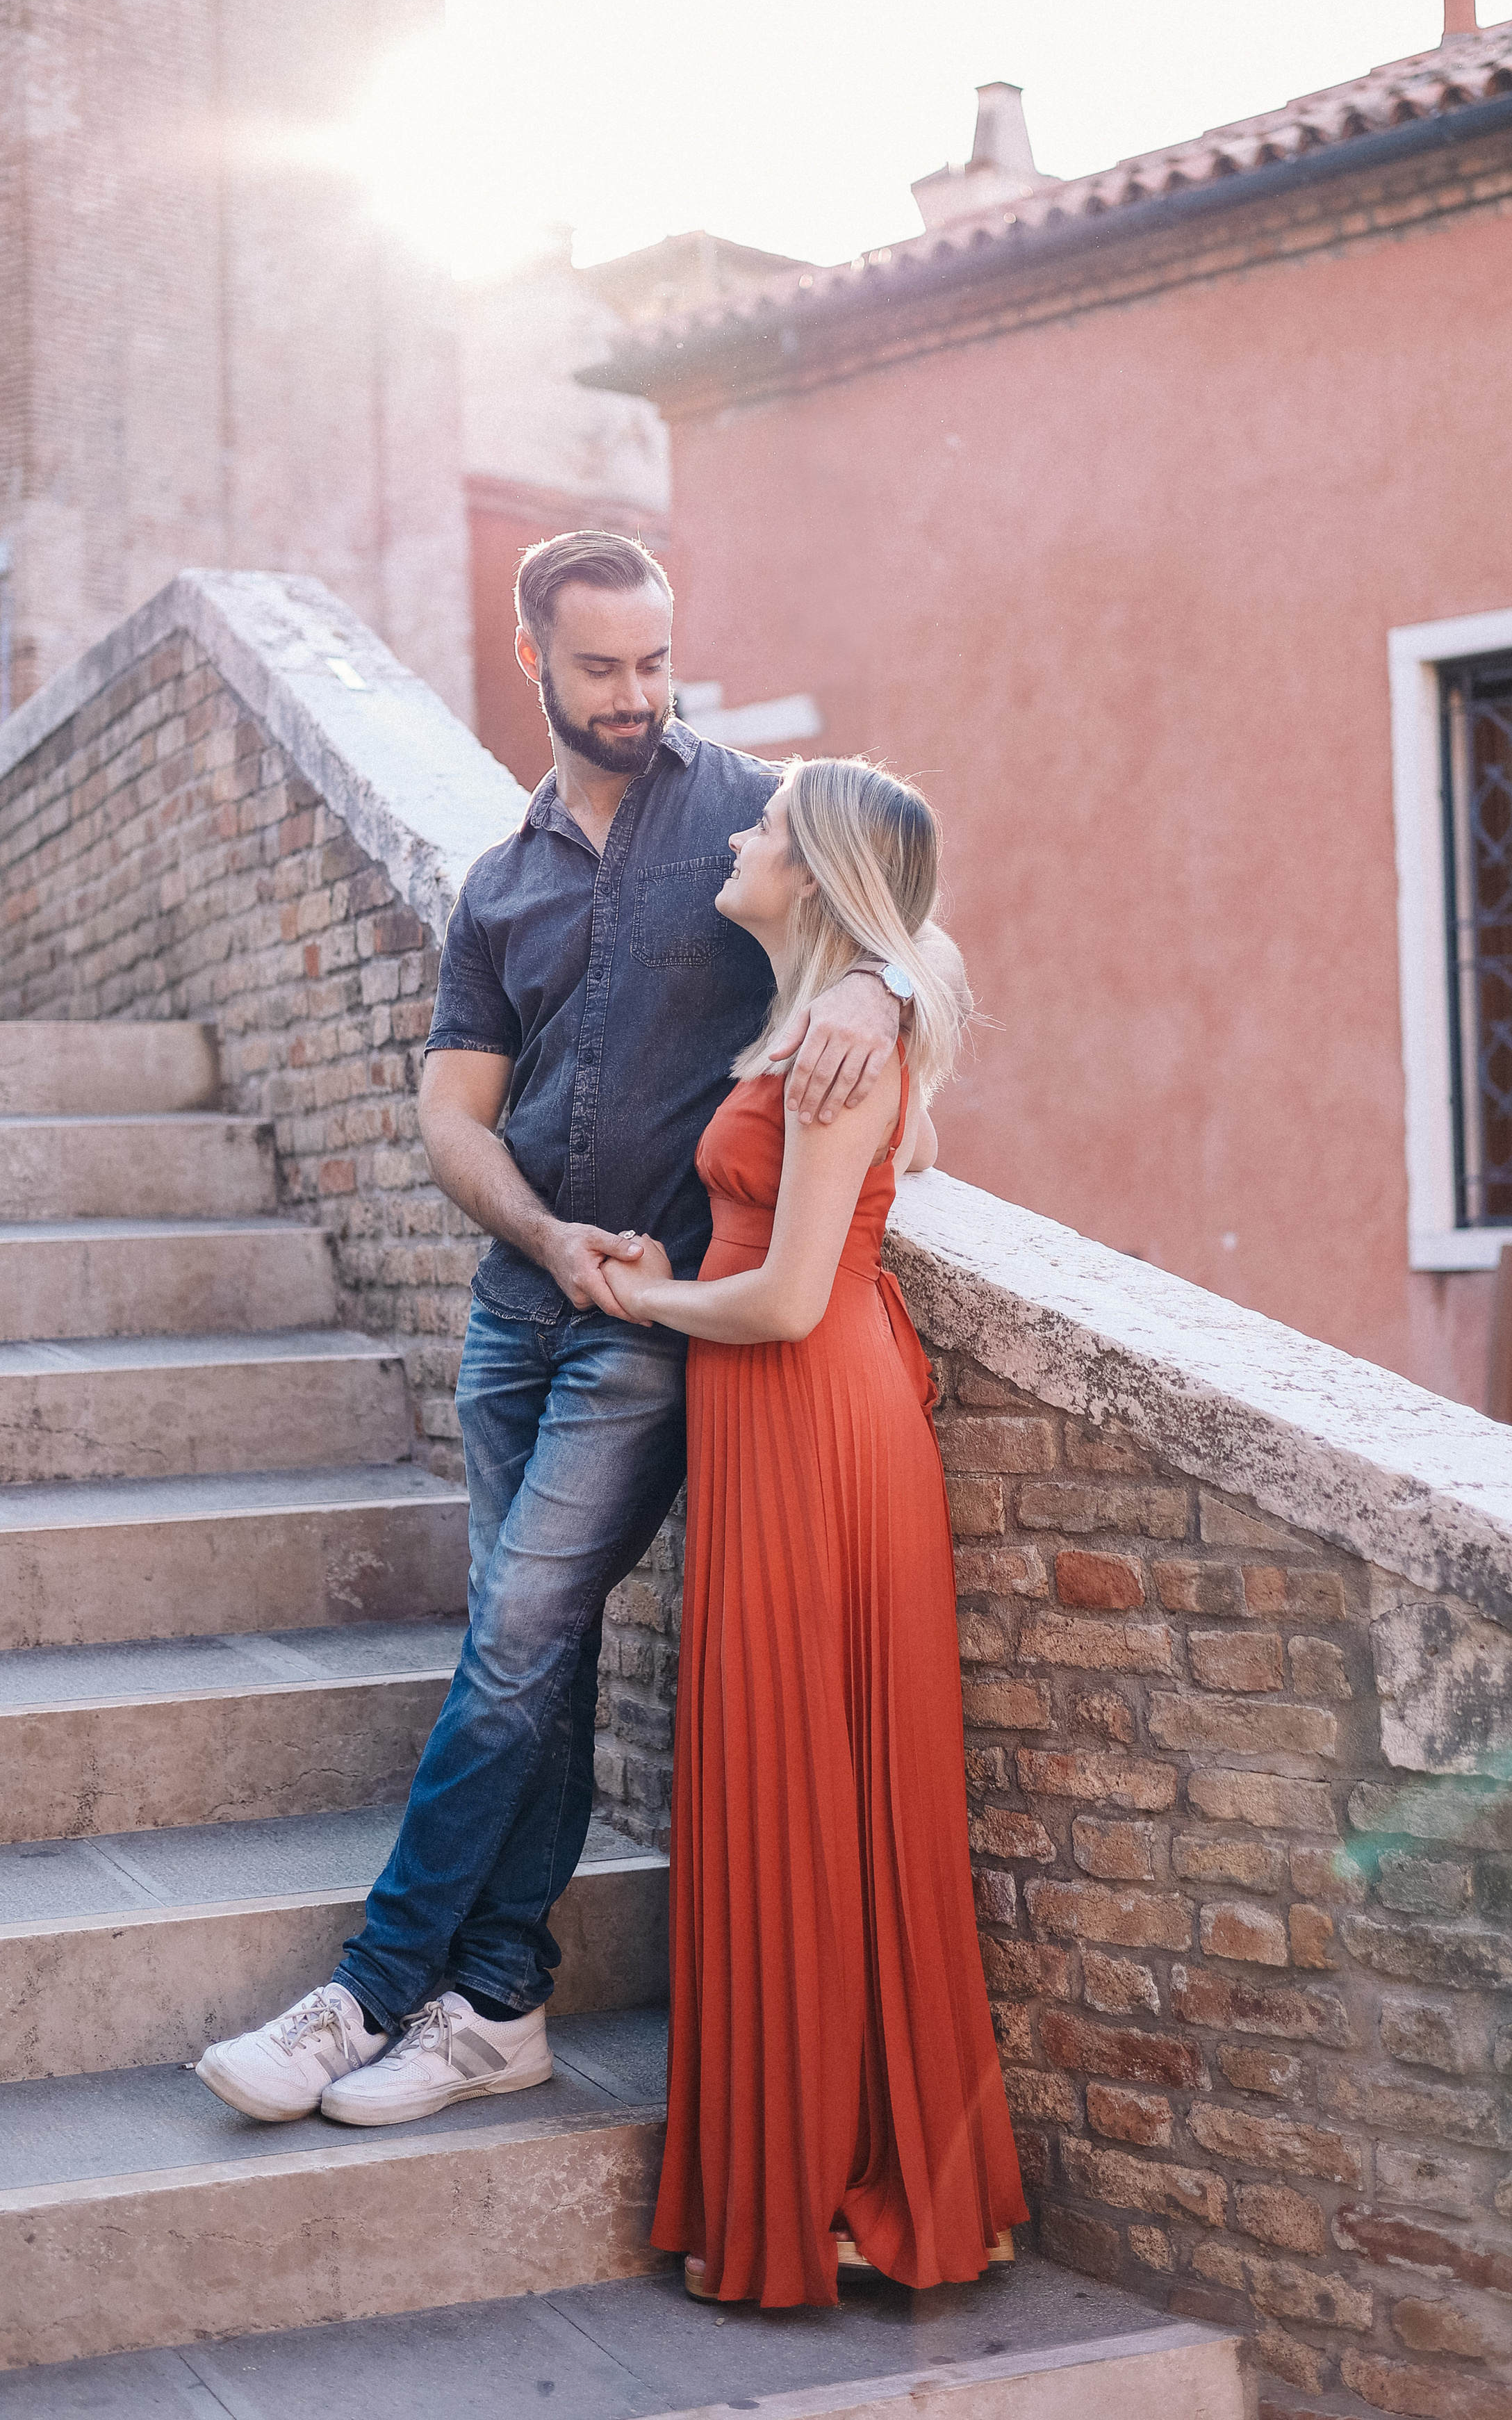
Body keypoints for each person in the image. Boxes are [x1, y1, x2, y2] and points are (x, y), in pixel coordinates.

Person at [195, 532, 902, 2126]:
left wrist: (882, 995)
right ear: (533, 659)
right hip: (515, 1315)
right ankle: (501, 1999)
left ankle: (365, 1993)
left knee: (510, 1636)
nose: (639, 695)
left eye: (658, 661)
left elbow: (900, 904)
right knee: (537, 1646)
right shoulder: (497, 882)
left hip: (652, 1327)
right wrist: (535, 1232)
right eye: (602, 668)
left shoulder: (755, 815)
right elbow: (452, 1117)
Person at [602, 758, 1027, 2307]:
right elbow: (926, 954)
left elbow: (783, 1299)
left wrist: (634, 1293)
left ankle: (847, 2185)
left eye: (766, 828)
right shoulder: (825, 1016)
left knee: (810, 1783)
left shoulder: (844, 1042)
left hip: (811, 1410)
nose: (735, 832)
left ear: (821, 871)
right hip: (782, 1417)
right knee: (791, 1781)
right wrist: (873, 982)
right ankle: (812, 2172)